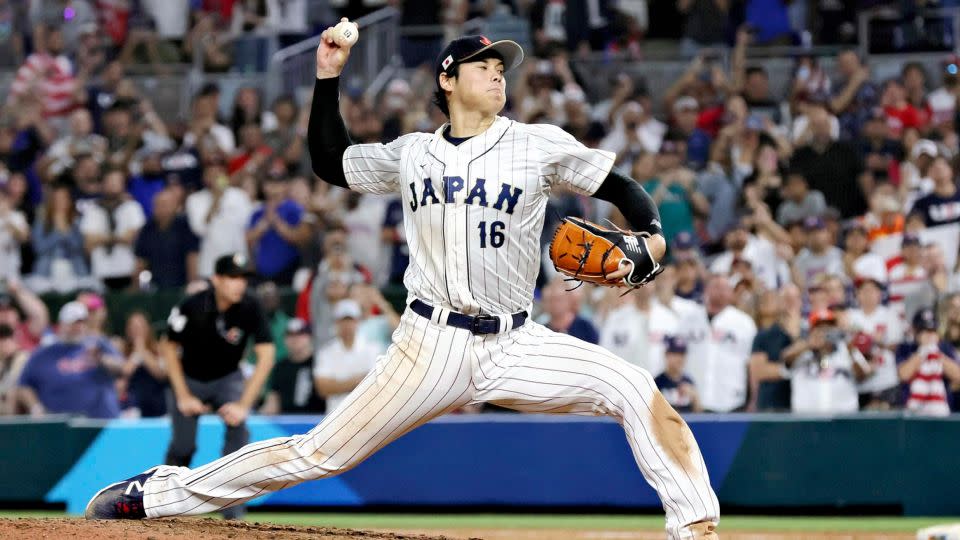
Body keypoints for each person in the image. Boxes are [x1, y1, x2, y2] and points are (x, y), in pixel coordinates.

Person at [86, 29, 719, 539]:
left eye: (501, 65)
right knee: (316, 456)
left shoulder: (536, 144)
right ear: (447, 79)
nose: (498, 71)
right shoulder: (412, 151)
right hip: (429, 344)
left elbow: (622, 189)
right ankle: (159, 493)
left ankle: (694, 527)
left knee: (635, 387)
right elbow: (330, 161)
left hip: (517, 342)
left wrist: (653, 235)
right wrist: (328, 76)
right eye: (482, 64)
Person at [149, 253, 274, 519]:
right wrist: (183, 395)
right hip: (190, 379)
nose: (239, 284)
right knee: (184, 446)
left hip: (227, 378)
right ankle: (162, 504)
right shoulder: (191, 306)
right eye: (232, 278)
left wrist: (243, 405)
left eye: (243, 278)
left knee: (238, 440)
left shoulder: (251, 307)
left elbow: (267, 355)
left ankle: (233, 516)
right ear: (216, 280)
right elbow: (168, 347)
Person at [16, 301, 125, 419]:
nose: (78, 327)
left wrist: (101, 359)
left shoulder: (98, 343)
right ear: (62, 324)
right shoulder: (44, 353)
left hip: (100, 422)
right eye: (73, 323)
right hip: (61, 426)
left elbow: (122, 369)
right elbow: (24, 384)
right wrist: (35, 406)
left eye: (82, 323)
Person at [785, 309, 867, 414]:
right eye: (819, 328)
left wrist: (849, 346)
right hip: (806, 421)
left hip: (843, 421)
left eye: (828, 328)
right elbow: (785, 360)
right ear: (811, 331)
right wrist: (809, 344)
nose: (824, 333)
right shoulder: (802, 351)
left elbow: (862, 376)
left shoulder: (846, 349)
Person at [312, 300, 381, 412]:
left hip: (367, 413)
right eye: (343, 321)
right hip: (335, 415)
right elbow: (322, 388)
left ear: (358, 322)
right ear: (336, 323)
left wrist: (337, 384)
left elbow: (376, 384)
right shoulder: (326, 352)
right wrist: (359, 381)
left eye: (350, 320)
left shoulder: (373, 349)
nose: (347, 325)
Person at [897, 307, 960, 417]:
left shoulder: (944, 348)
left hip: (942, 410)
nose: (929, 334)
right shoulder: (906, 348)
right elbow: (903, 375)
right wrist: (922, 352)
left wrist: (936, 354)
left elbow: (958, 376)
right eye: (924, 330)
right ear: (915, 330)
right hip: (912, 411)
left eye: (932, 330)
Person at [259, 318, 325, 415]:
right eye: (290, 335)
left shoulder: (320, 363)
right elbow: (273, 399)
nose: (295, 339)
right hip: (287, 423)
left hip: (318, 421)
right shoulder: (280, 366)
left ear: (310, 337)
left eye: (300, 334)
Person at [654, 336, 700, 413]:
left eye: (682, 354)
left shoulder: (689, 381)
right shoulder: (657, 382)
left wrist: (694, 396)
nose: (679, 358)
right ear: (666, 355)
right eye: (675, 354)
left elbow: (699, 414)